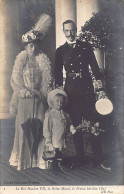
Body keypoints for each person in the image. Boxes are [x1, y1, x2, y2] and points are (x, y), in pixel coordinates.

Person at [54, 20, 105, 167]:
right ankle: (80, 157)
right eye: (67, 31)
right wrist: (58, 92)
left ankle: (98, 157)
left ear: (76, 30)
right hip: (70, 92)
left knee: (93, 123)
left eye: (72, 30)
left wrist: (100, 87)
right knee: (75, 125)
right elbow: (57, 74)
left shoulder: (86, 47)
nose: (70, 34)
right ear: (63, 32)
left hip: (87, 89)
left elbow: (95, 67)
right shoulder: (60, 51)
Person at [9, 14, 53, 170]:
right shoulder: (20, 60)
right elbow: (15, 81)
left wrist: (42, 94)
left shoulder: (43, 60)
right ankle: (24, 161)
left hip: (39, 100)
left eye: (35, 45)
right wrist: (25, 92)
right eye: (30, 46)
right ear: (25, 47)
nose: (33, 48)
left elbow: (47, 81)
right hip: (24, 101)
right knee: (24, 129)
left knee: (40, 128)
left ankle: (39, 160)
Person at [43, 88, 76, 174]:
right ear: (52, 102)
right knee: (55, 151)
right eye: (57, 101)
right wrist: (48, 138)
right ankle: (54, 167)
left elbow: (69, 122)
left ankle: (59, 163)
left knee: (60, 150)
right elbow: (47, 127)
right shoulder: (49, 114)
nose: (59, 103)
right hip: (54, 137)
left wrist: (71, 127)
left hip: (62, 136)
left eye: (61, 101)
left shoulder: (65, 113)